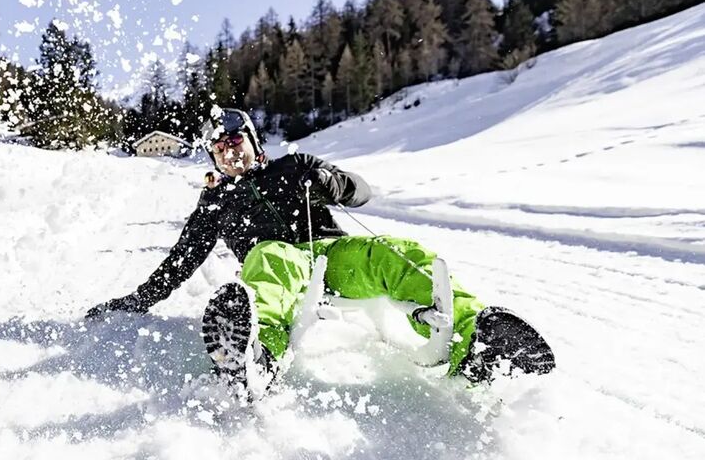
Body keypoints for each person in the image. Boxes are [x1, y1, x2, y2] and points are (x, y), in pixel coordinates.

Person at [87, 108, 554, 394]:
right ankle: (257, 355)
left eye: (234, 142)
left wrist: (332, 182)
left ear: (252, 142)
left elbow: (361, 191)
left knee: (390, 250)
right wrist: (134, 301)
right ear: (212, 157)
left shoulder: (295, 167)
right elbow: (179, 263)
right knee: (270, 257)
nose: (228, 153)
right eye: (218, 149)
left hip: (333, 257)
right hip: (279, 268)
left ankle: (475, 341)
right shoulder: (216, 202)